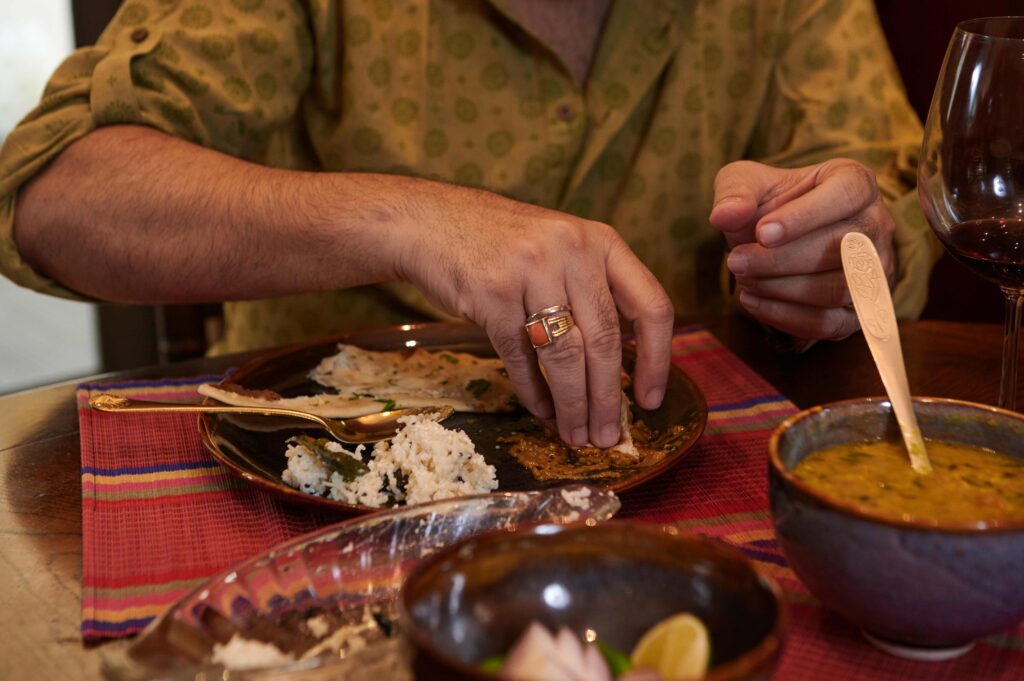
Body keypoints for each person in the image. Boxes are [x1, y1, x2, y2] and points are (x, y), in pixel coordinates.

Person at [0, 0, 938, 448]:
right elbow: (52, 196)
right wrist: (410, 217)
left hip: (674, 492)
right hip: (319, 495)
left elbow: (885, 201)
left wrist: (840, 253)